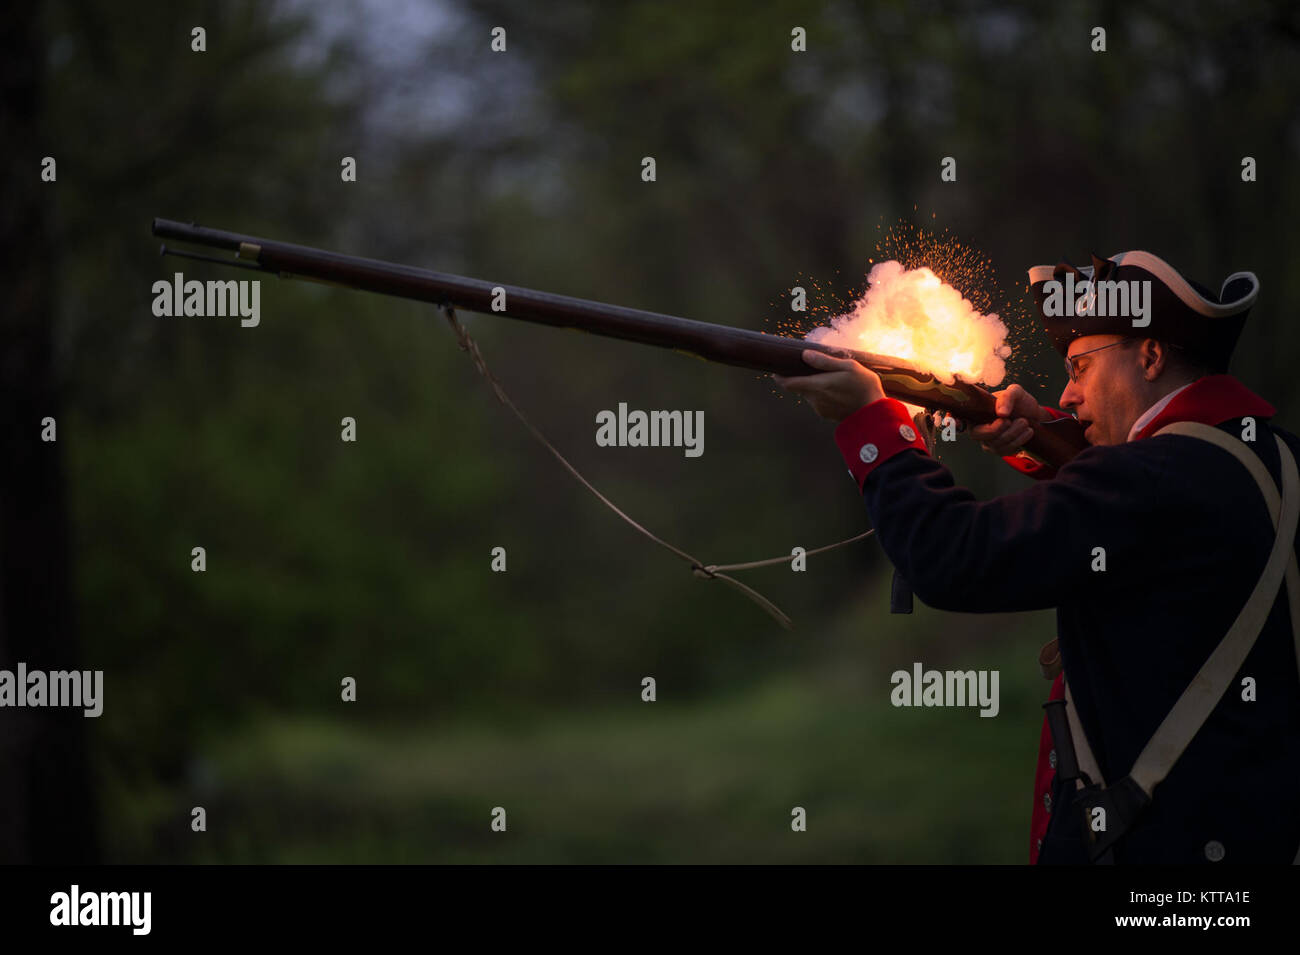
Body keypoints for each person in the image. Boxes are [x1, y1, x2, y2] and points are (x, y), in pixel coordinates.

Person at [774, 251, 1300, 864]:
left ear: (1151, 357)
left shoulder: (1149, 480)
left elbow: (952, 557)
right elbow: (1160, 519)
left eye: (1079, 367)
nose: (1068, 393)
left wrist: (871, 424)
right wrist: (1044, 440)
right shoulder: (1276, 457)